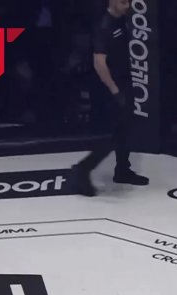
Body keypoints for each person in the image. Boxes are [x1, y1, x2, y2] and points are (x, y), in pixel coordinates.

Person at [71, 0, 149, 196]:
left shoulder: (120, 21)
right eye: (123, 2)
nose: (127, 6)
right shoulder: (104, 26)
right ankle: (82, 169)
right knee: (112, 135)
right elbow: (99, 63)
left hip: (124, 82)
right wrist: (114, 90)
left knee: (125, 128)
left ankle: (122, 170)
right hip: (110, 88)